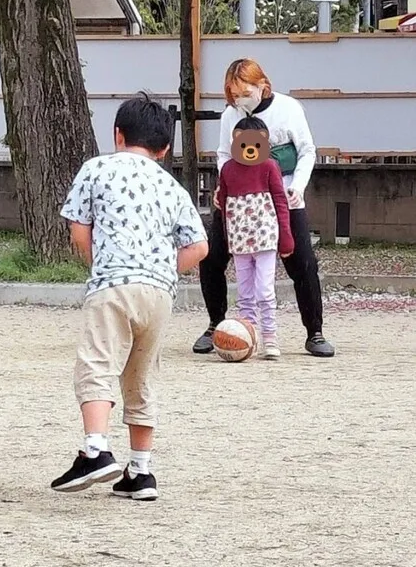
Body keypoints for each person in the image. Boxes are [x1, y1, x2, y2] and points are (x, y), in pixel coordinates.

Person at [51, 94, 208, 502]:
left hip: (113, 284)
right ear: (165, 148)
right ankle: (140, 471)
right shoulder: (172, 187)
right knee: (141, 376)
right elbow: (198, 247)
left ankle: (96, 449)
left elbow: (79, 228)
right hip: (157, 293)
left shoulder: (97, 169)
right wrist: (161, 268)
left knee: (97, 364)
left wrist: (97, 263)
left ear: (117, 134)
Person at [193, 58, 335, 358]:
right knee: (212, 255)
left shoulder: (289, 109)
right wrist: (224, 187)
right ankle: (216, 324)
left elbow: (307, 150)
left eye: (245, 92)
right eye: (234, 94)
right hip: (239, 201)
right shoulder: (231, 115)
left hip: (283, 195)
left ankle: (314, 332)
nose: (239, 99)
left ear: (262, 85)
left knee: (302, 262)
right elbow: (222, 154)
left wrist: (297, 185)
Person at [217, 114, 294, 359]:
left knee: (264, 289)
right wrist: (227, 237)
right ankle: (249, 335)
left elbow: (280, 201)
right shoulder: (228, 169)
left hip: (265, 238)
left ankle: (270, 336)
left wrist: (286, 237)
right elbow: (223, 204)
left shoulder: (270, 166)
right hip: (239, 239)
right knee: (244, 291)